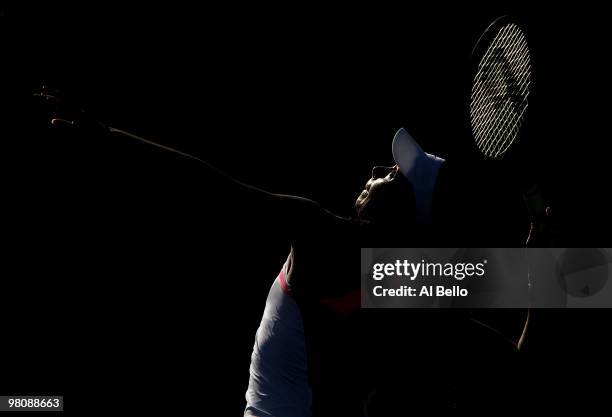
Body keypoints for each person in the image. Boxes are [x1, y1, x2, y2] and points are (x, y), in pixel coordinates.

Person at [33, 87, 537, 416]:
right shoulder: (412, 284)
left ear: (404, 211)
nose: (380, 171)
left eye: (394, 176)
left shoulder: (327, 238)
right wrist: (548, 236)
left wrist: (107, 137)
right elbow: (569, 284)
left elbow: (213, 187)